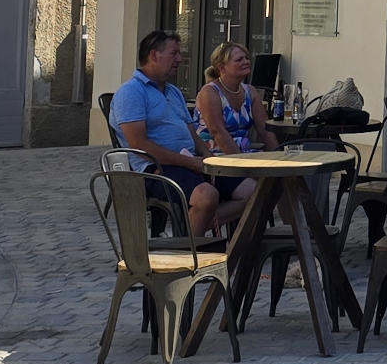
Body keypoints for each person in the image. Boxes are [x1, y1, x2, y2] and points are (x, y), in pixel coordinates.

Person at [108, 30, 220, 235]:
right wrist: (190, 163)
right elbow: (139, 144)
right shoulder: (131, 92)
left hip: (190, 163)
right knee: (206, 197)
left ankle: (205, 234)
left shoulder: (173, 91)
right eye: (174, 53)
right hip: (155, 170)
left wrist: (209, 158)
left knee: (251, 189)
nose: (180, 59)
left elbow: (192, 134)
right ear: (153, 55)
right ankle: (186, 257)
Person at [194, 42, 279, 205]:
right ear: (222, 68)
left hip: (245, 154)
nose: (246, 62)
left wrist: (279, 157)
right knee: (262, 187)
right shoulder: (210, 92)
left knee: (286, 178)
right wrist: (242, 165)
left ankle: (294, 228)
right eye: (239, 59)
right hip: (216, 158)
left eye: (246, 58)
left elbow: (264, 129)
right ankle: (217, 223)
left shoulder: (250, 91)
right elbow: (218, 132)